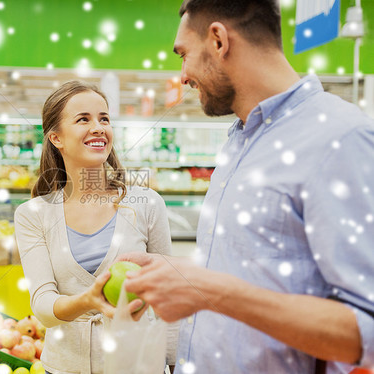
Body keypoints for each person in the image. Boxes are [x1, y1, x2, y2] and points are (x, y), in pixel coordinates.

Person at [120, 1, 374, 373]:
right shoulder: (242, 139)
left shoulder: (341, 138)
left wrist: (209, 290)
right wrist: (182, 271)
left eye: (184, 54)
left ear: (219, 40)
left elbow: (364, 333)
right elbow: (266, 268)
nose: (184, 75)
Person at [14, 81, 177, 374]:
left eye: (104, 119)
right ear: (56, 138)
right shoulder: (33, 214)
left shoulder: (146, 204)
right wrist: (87, 301)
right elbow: (43, 306)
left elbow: (170, 296)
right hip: (64, 367)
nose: (99, 127)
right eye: (83, 119)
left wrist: (176, 363)